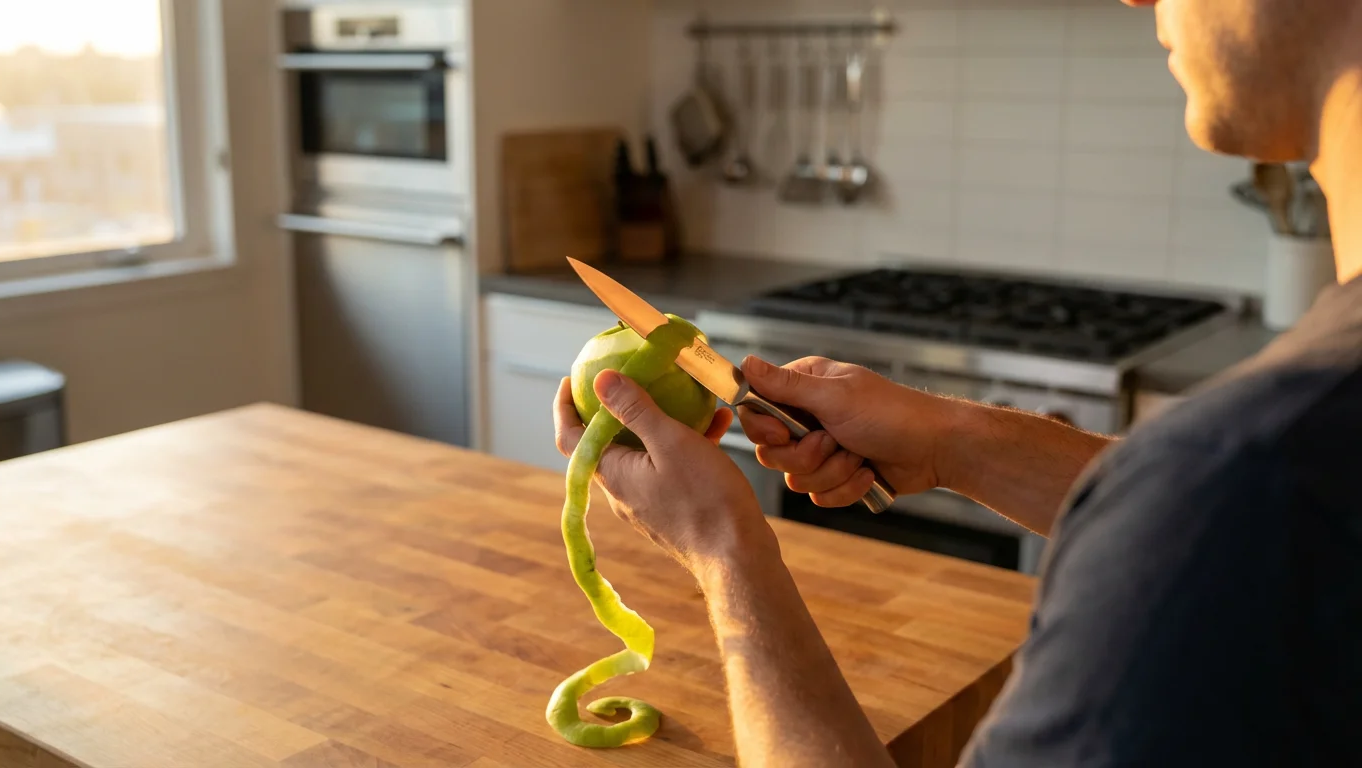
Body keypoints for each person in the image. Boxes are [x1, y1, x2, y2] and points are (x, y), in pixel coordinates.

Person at [554, 0, 1362, 764]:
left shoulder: (1252, 478)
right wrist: (951, 442)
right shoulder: (1265, 477)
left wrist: (725, 550)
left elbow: (1212, 511)